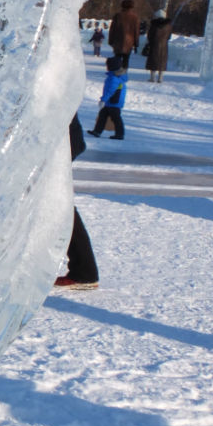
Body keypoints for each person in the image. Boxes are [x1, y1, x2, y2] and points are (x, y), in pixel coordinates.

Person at [54, 114, 99, 289]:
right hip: (55, 139)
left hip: (59, 142)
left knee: (57, 204)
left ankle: (85, 272)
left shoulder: (51, 86)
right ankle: (84, 271)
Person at [88, 55, 127, 140]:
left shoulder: (114, 78)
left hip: (114, 102)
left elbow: (110, 91)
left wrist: (103, 100)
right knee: (103, 115)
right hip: (112, 101)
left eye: (107, 66)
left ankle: (120, 134)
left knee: (116, 118)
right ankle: (97, 131)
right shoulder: (116, 76)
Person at [108, 0, 140, 69]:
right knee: (126, 59)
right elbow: (136, 31)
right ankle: (123, 74)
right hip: (129, 42)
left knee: (117, 59)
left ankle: (116, 73)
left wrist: (111, 41)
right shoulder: (135, 17)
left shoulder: (118, 16)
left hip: (118, 41)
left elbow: (112, 29)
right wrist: (136, 43)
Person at [145, 8, 172, 83]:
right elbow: (169, 37)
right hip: (164, 46)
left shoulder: (154, 25)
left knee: (153, 61)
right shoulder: (168, 25)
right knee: (162, 61)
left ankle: (152, 78)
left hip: (154, 44)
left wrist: (149, 42)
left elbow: (150, 35)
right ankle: (160, 78)